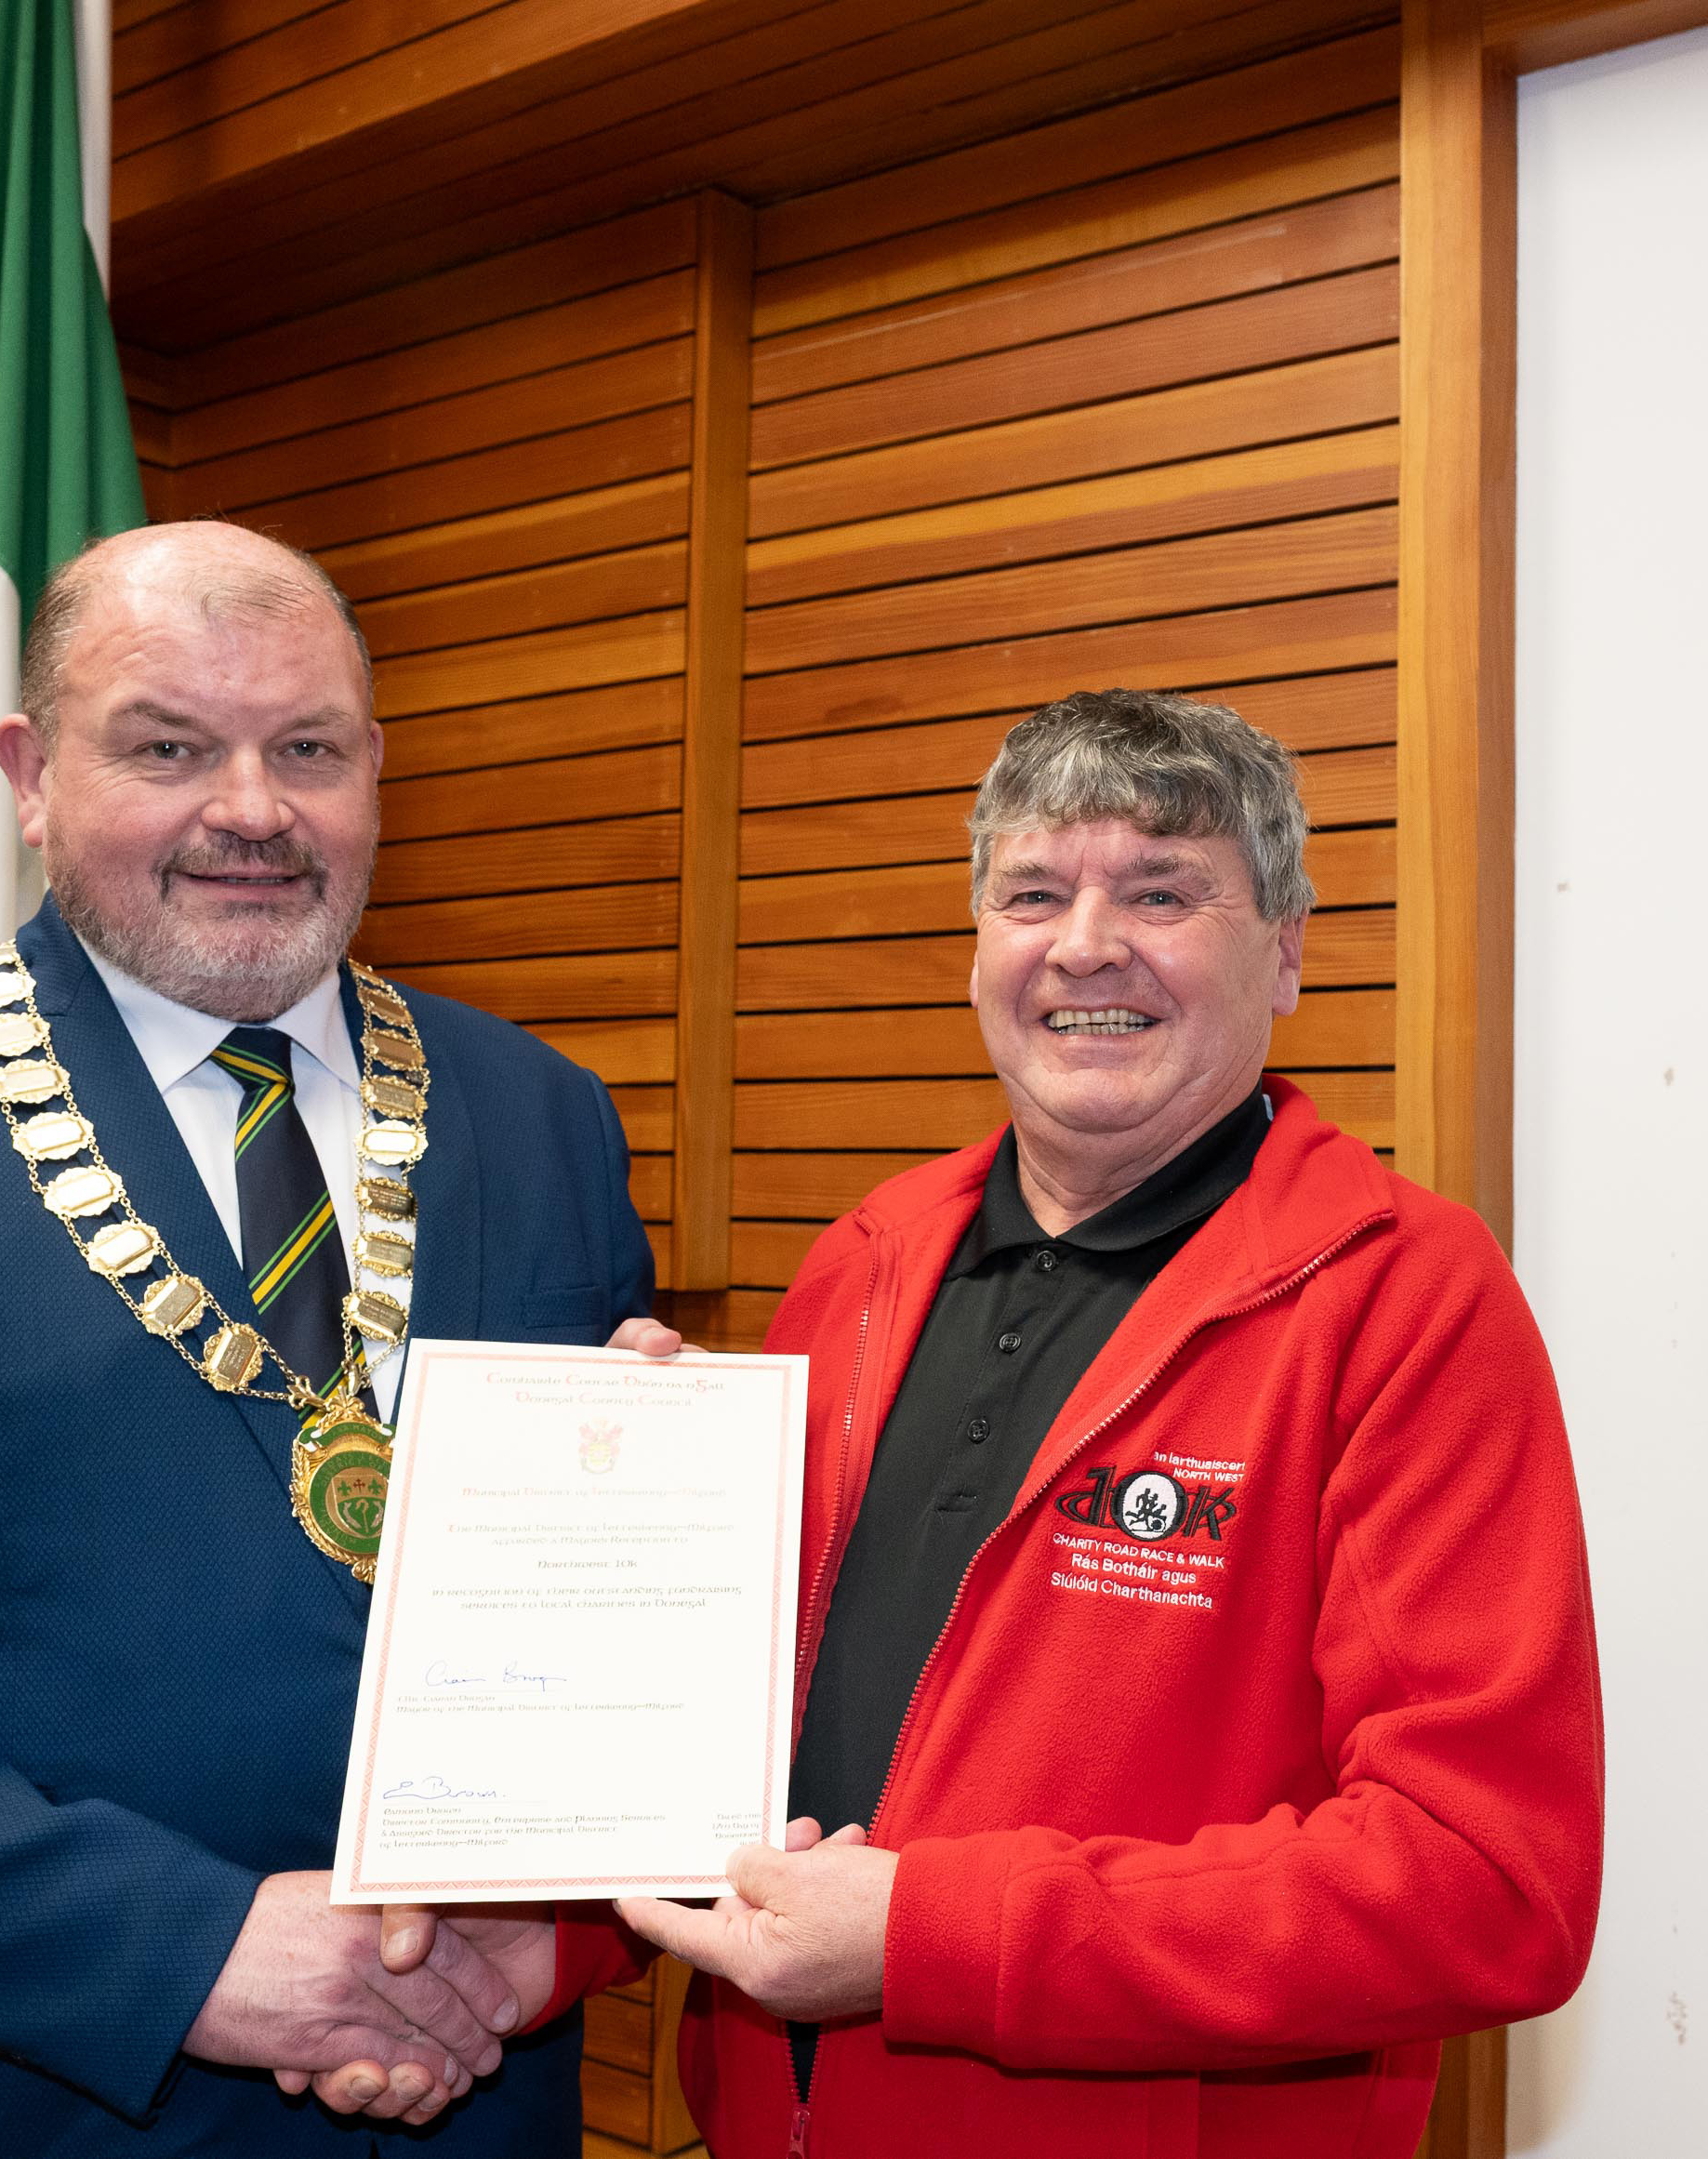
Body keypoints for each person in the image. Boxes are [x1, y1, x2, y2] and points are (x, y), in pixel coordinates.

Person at [0, 520, 677, 2154]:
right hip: (12, 2100)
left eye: (307, 748)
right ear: (26, 772)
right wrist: (189, 1951)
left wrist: (566, 1921)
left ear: (375, 767)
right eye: (167, 745)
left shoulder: (542, 1114)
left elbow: (595, 1646)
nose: (251, 808)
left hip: (474, 2089)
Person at [598, 690, 1603, 2157]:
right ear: (978, 946)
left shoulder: (1407, 1303)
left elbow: (1487, 1879)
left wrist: (934, 1931)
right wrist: (621, 1520)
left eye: (1161, 891)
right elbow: (726, 1745)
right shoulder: (863, 1260)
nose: (1084, 945)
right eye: (1031, 893)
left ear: (1289, 953)